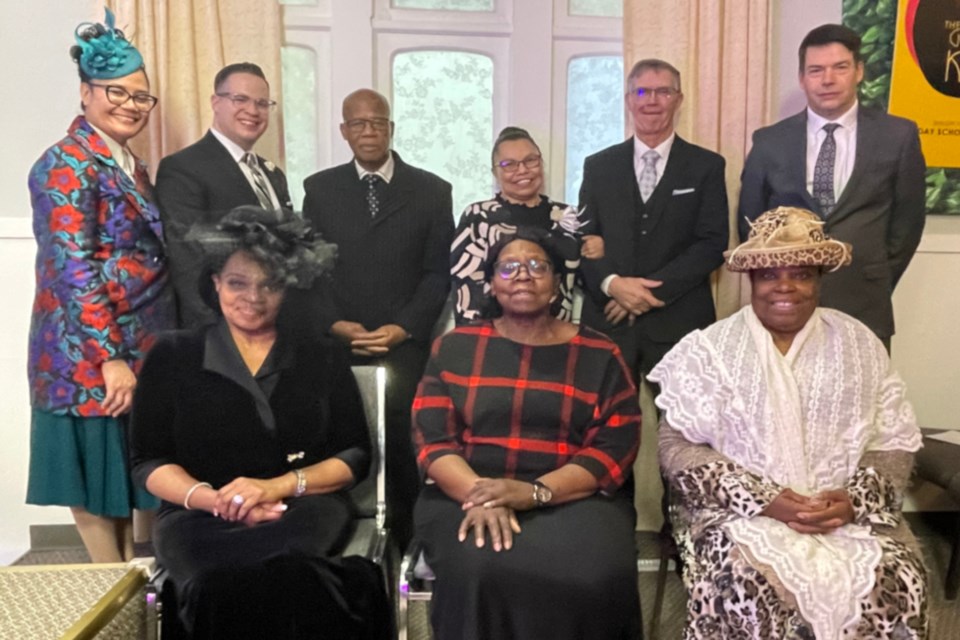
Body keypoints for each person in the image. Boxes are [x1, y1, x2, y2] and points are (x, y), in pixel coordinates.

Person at [648, 207, 927, 639]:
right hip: (737, 513)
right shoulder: (710, 348)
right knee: (745, 579)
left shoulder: (858, 343)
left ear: (818, 281)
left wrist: (852, 501)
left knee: (896, 576)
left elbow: (892, 439)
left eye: (801, 274)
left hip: (847, 511)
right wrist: (765, 499)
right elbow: (677, 447)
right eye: (769, 275)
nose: (785, 287)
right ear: (751, 281)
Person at [130, 207, 389, 638]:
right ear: (215, 284)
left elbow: (354, 456)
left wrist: (274, 487)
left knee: (293, 577)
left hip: (300, 507)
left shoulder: (320, 353)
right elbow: (147, 462)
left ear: (288, 287)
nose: (254, 296)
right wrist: (216, 501)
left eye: (269, 284)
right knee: (217, 585)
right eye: (237, 283)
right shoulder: (171, 354)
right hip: (198, 514)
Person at [413, 227, 642, 640]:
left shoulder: (600, 352)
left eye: (538, 266)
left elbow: (613, 448)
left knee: (595, 571)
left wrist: (534, 492)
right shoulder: (454, 347)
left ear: (557, 285)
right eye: (509, 267)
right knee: (479, 566)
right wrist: (480, 494)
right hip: (467, 492)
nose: (524, 275)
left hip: (573, 495)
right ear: (490, 284)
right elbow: (433, 441)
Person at [25, 8, 173, 563]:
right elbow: (72, 266)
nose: (130, 106)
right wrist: (109, 356)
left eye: (141, 97)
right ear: (86, 92)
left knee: (129, 474)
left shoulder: (127, 162)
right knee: (96, 481)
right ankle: (111, 598)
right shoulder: (65, 164)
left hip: (141, 344)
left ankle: (134, 593)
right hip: (85, 354)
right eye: (117, 93)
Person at [303, 88, 454, 548]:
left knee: (407, 445)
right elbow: (310, 270)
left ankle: (411, 543)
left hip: (404, 343)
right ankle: (341, 533)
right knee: (337, 440)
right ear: (344, 131)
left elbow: (438, 273)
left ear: (391, 128)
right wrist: (334, 325)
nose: (369, 132)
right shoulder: (319, 189)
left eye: (378, 123)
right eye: (359, 124)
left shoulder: (432, 190)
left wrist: (404, 327)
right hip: (339, 341)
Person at [738, 24, 926, 347]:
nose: (827, 79)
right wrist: (778, 281)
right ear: (802, 78)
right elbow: (751, 224)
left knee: (861, 396)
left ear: (859, 71)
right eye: (816, 70)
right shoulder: (769, 141)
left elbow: (907, 225)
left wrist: (874, 275)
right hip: (785, 306)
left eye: (840, 67)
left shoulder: (898, 136)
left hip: (865, 302)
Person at [578, 58, 729, 381]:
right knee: (605, 427)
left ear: (679, 99)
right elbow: (583, 238)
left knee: (685, 429)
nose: (652, 101)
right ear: (629, 99)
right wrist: (613, 285)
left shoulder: (707, 166)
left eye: (663, 91)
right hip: (609, 320)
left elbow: (712, 243)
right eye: (643, 91)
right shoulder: (598, 166)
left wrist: (645, 295)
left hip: (681, 322)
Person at [156, 62, 293, 329]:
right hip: (221, 336)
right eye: (240, 99)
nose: (253, 111)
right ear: (216, 102)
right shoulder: (183, 168)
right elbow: (189, 266)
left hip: (275, 330)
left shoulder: (272, 175)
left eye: (262, 103)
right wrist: (226, 340)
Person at [450, 126, 602, 325]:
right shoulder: (478, 217)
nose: (522, 170)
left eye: (530, 160)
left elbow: (587, 279)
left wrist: (598, 249)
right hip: (493, 338)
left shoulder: (568, 217)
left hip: (556, 336)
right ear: (495, 172)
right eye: (509, 164)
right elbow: (466, 288)